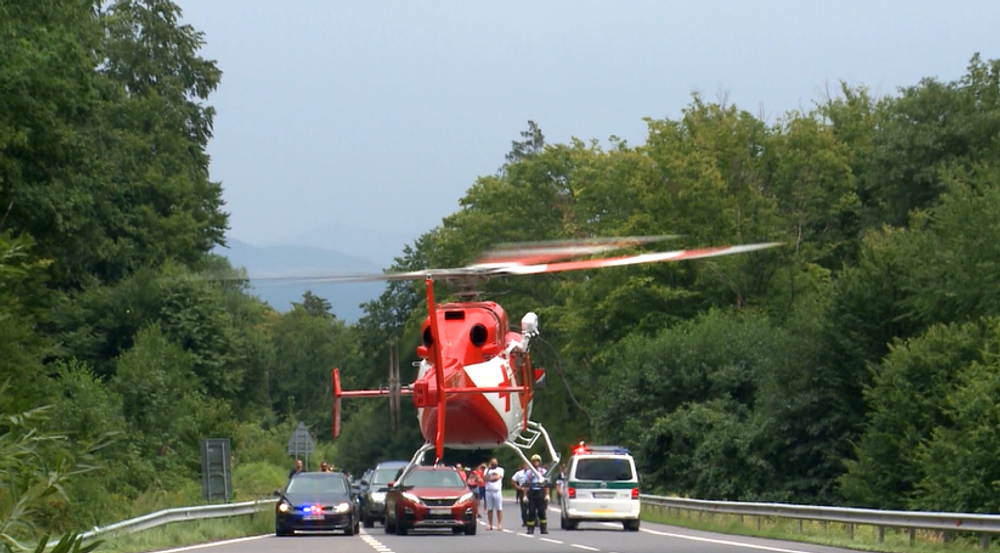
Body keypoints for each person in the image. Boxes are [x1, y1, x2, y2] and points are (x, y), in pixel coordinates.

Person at [523, 454, 549, 534]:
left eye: (537, 461)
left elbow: (546, 484)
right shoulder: (529, 472)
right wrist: (525, 495)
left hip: (540, 492)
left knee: (542, 511)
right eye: (534, 461)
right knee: (531, 511)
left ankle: (543, 529)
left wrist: (547, 494)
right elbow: (526, 484)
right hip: (532, 492)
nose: (536, 463)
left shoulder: (543, 472)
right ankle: (530, 529)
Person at [483, 457, 505, 531]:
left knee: (499, 508)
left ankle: (499, 524)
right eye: (492, 463)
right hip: (489, 491)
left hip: (497, 491)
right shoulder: (486, 470)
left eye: (495, 462)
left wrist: (489, 479)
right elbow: (484, 478)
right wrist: (488, 469)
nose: (494, 464)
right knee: (490, 509)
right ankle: (490, 524)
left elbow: (497, 477)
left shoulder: (500, 470)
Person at [511, 461, 530, 526]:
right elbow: (513, 480)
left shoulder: (532, 472)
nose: (526, 467)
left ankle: (534, 520)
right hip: (522, 491)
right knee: (524, 508)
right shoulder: (519, 473)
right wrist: (517, 487)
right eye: (525, 465)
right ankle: (525, 521)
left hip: (531, 491)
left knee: (532, 507)